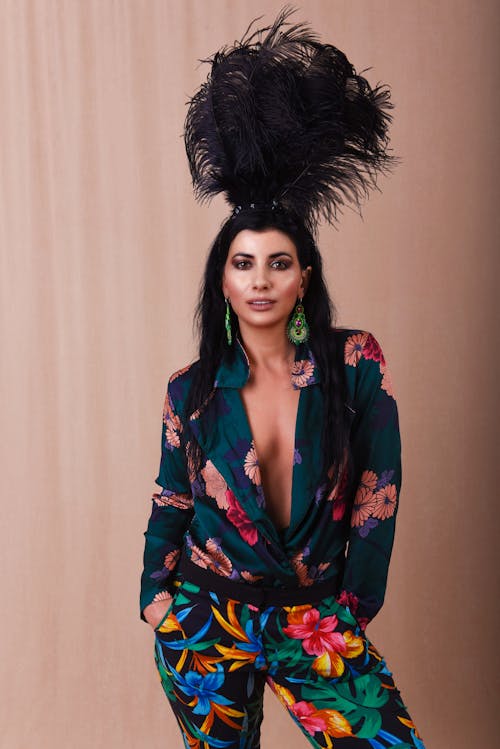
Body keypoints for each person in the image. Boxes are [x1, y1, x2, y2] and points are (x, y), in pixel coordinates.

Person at [139, 8, 425, 748]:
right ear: (224, 282)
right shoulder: (190, 390)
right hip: (207, 618)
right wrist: (155, 600)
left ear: (303, 278)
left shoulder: (355, 363)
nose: (260, 278)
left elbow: (378, 488)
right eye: (243, 263)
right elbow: (172, 496)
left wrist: (354, 602)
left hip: (315, 617)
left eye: (278, 262)